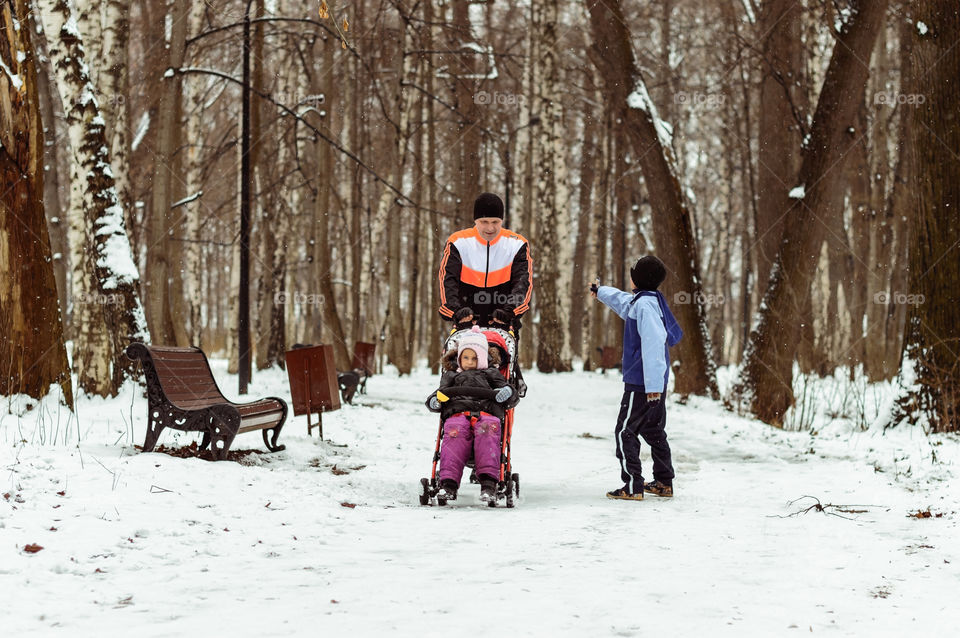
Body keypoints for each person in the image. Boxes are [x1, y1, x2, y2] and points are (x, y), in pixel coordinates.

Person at [590, 256, 683, 501]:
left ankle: (632, 486)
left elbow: (652, 345)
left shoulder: (644, 306)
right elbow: (622, 301)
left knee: (625, 431)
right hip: (653, 382)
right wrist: (600, 292)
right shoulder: (648, 300)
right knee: (653, 430)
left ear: (636, 278)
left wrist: (651, 387)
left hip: (642, 383)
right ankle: (664, 482)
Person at [426, 326, 516, 503]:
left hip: (486, 414)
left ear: (482, 358)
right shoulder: (452, 376)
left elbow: (510, 393)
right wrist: (435, 401)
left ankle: (489, 485)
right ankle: (448, 484)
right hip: (458, 415)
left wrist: (506, 392)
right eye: (465, 357)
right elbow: (438, 394)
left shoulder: (491, 373)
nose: (469, 361)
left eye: (474, 358)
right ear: (459, 357)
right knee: (454, 430)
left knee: (488, 428)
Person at [437, 192, 532, 330]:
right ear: (475, 220)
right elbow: (448, 280)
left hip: (503, 322)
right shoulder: (458, 242)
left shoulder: (517, 244)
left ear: (502, 221)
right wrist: (456, 311)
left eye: (495, 222)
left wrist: (510, 311)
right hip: (466, 322)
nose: (490, 228)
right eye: (484, 222)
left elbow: (523, 283)